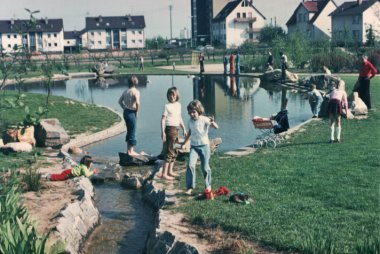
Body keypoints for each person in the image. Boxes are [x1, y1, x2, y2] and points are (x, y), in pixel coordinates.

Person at [182, 100, 219, 195]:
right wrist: (184, 142)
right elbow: (190, 132)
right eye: (190, 112)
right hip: (194, 146)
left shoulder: (204, 119)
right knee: (190, 164)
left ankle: (208, 186)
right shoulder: (190, 121)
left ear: (198, 111)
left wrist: (213, 122)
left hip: (204, 146)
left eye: (193, 112)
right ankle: (190, 187)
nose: (192, 114)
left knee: (205, 167)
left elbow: (216, 127)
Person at [160, 87, 187, 180]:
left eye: (173, 95)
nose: (171, 97)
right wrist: (162, 131)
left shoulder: (178, 105)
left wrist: (184, 129)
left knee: (175, 151)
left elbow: (179, 117)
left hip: (176, 129)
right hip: (170, 130)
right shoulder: (167, 106)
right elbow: (163, 119)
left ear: (177, 96)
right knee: (169, 151)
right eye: (169, 95)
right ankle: (164, 173)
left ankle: (170, 171)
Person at [118, 75, 140, 155]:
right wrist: (137, 111)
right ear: (136, 82)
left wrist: (124, 108)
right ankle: (131, 151)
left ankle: (128, 150)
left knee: (129, 130)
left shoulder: (126, 91)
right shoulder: (136, 91)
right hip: (132, 112)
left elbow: (119, 101)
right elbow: (137, 103)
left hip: (126, 112)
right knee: (133, 130)